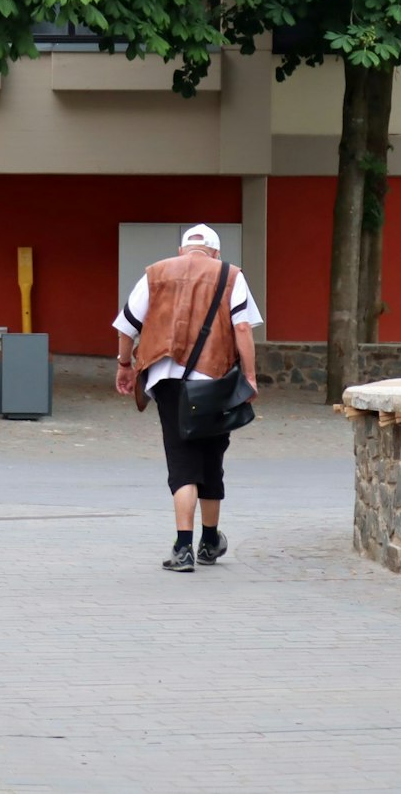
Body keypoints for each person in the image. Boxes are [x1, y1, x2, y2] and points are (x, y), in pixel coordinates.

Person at [113, 224, 262, 572]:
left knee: (182, 462)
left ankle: (183, 549)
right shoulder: (230, 275)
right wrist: (250, 377)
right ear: (216, 253)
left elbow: (126, 326)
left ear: (182, 251)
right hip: (215, 381)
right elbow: (242, 328)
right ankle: (209, 542)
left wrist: (124, 365)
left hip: (168, 382)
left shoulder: (155, 273)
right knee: (212, 458)